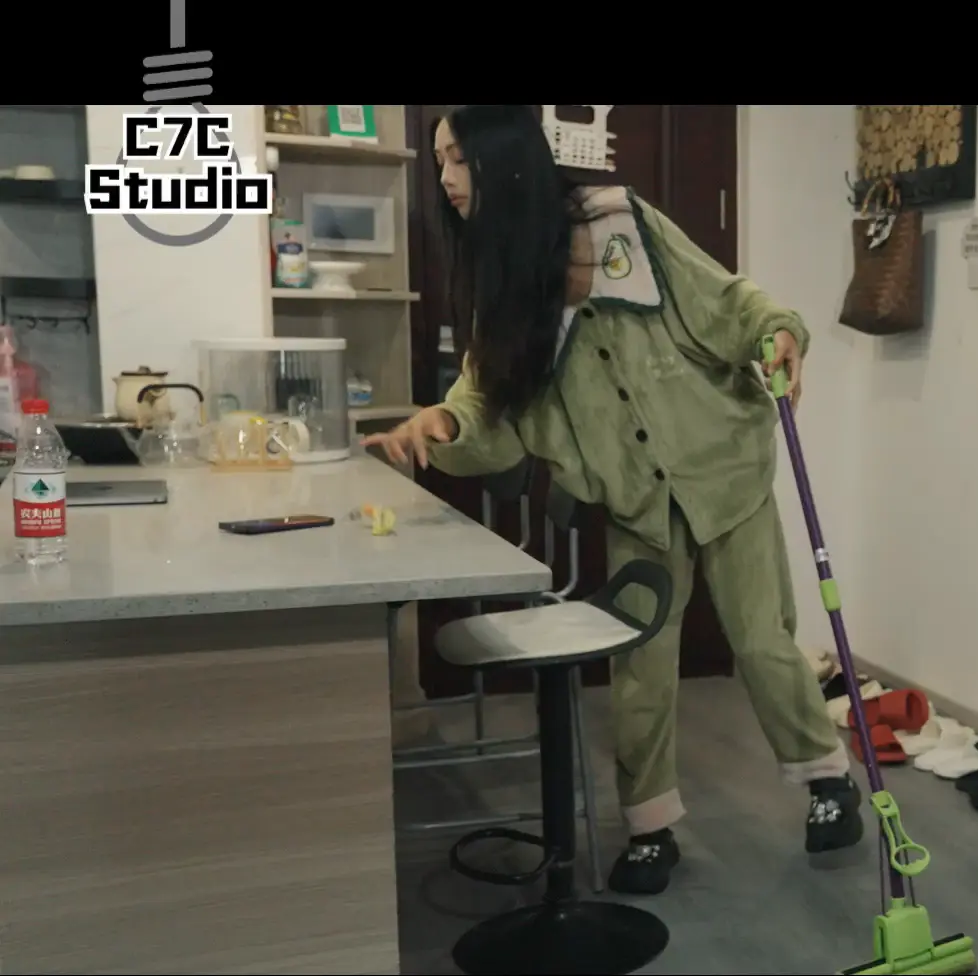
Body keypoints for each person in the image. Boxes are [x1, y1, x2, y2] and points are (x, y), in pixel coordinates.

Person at [365, 104, 861, 896]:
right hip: (634, 500)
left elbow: (728, 301)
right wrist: (443, 425)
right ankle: (650, 826)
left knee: (763, 639)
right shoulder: (500, 284)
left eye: (458, 159)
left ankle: (827, 781)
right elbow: (485, 406)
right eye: (440, 165)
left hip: (723, 469)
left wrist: (776, 332)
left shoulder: (622, 221)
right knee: (642, 665)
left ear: (505, 155)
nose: (447, 181)